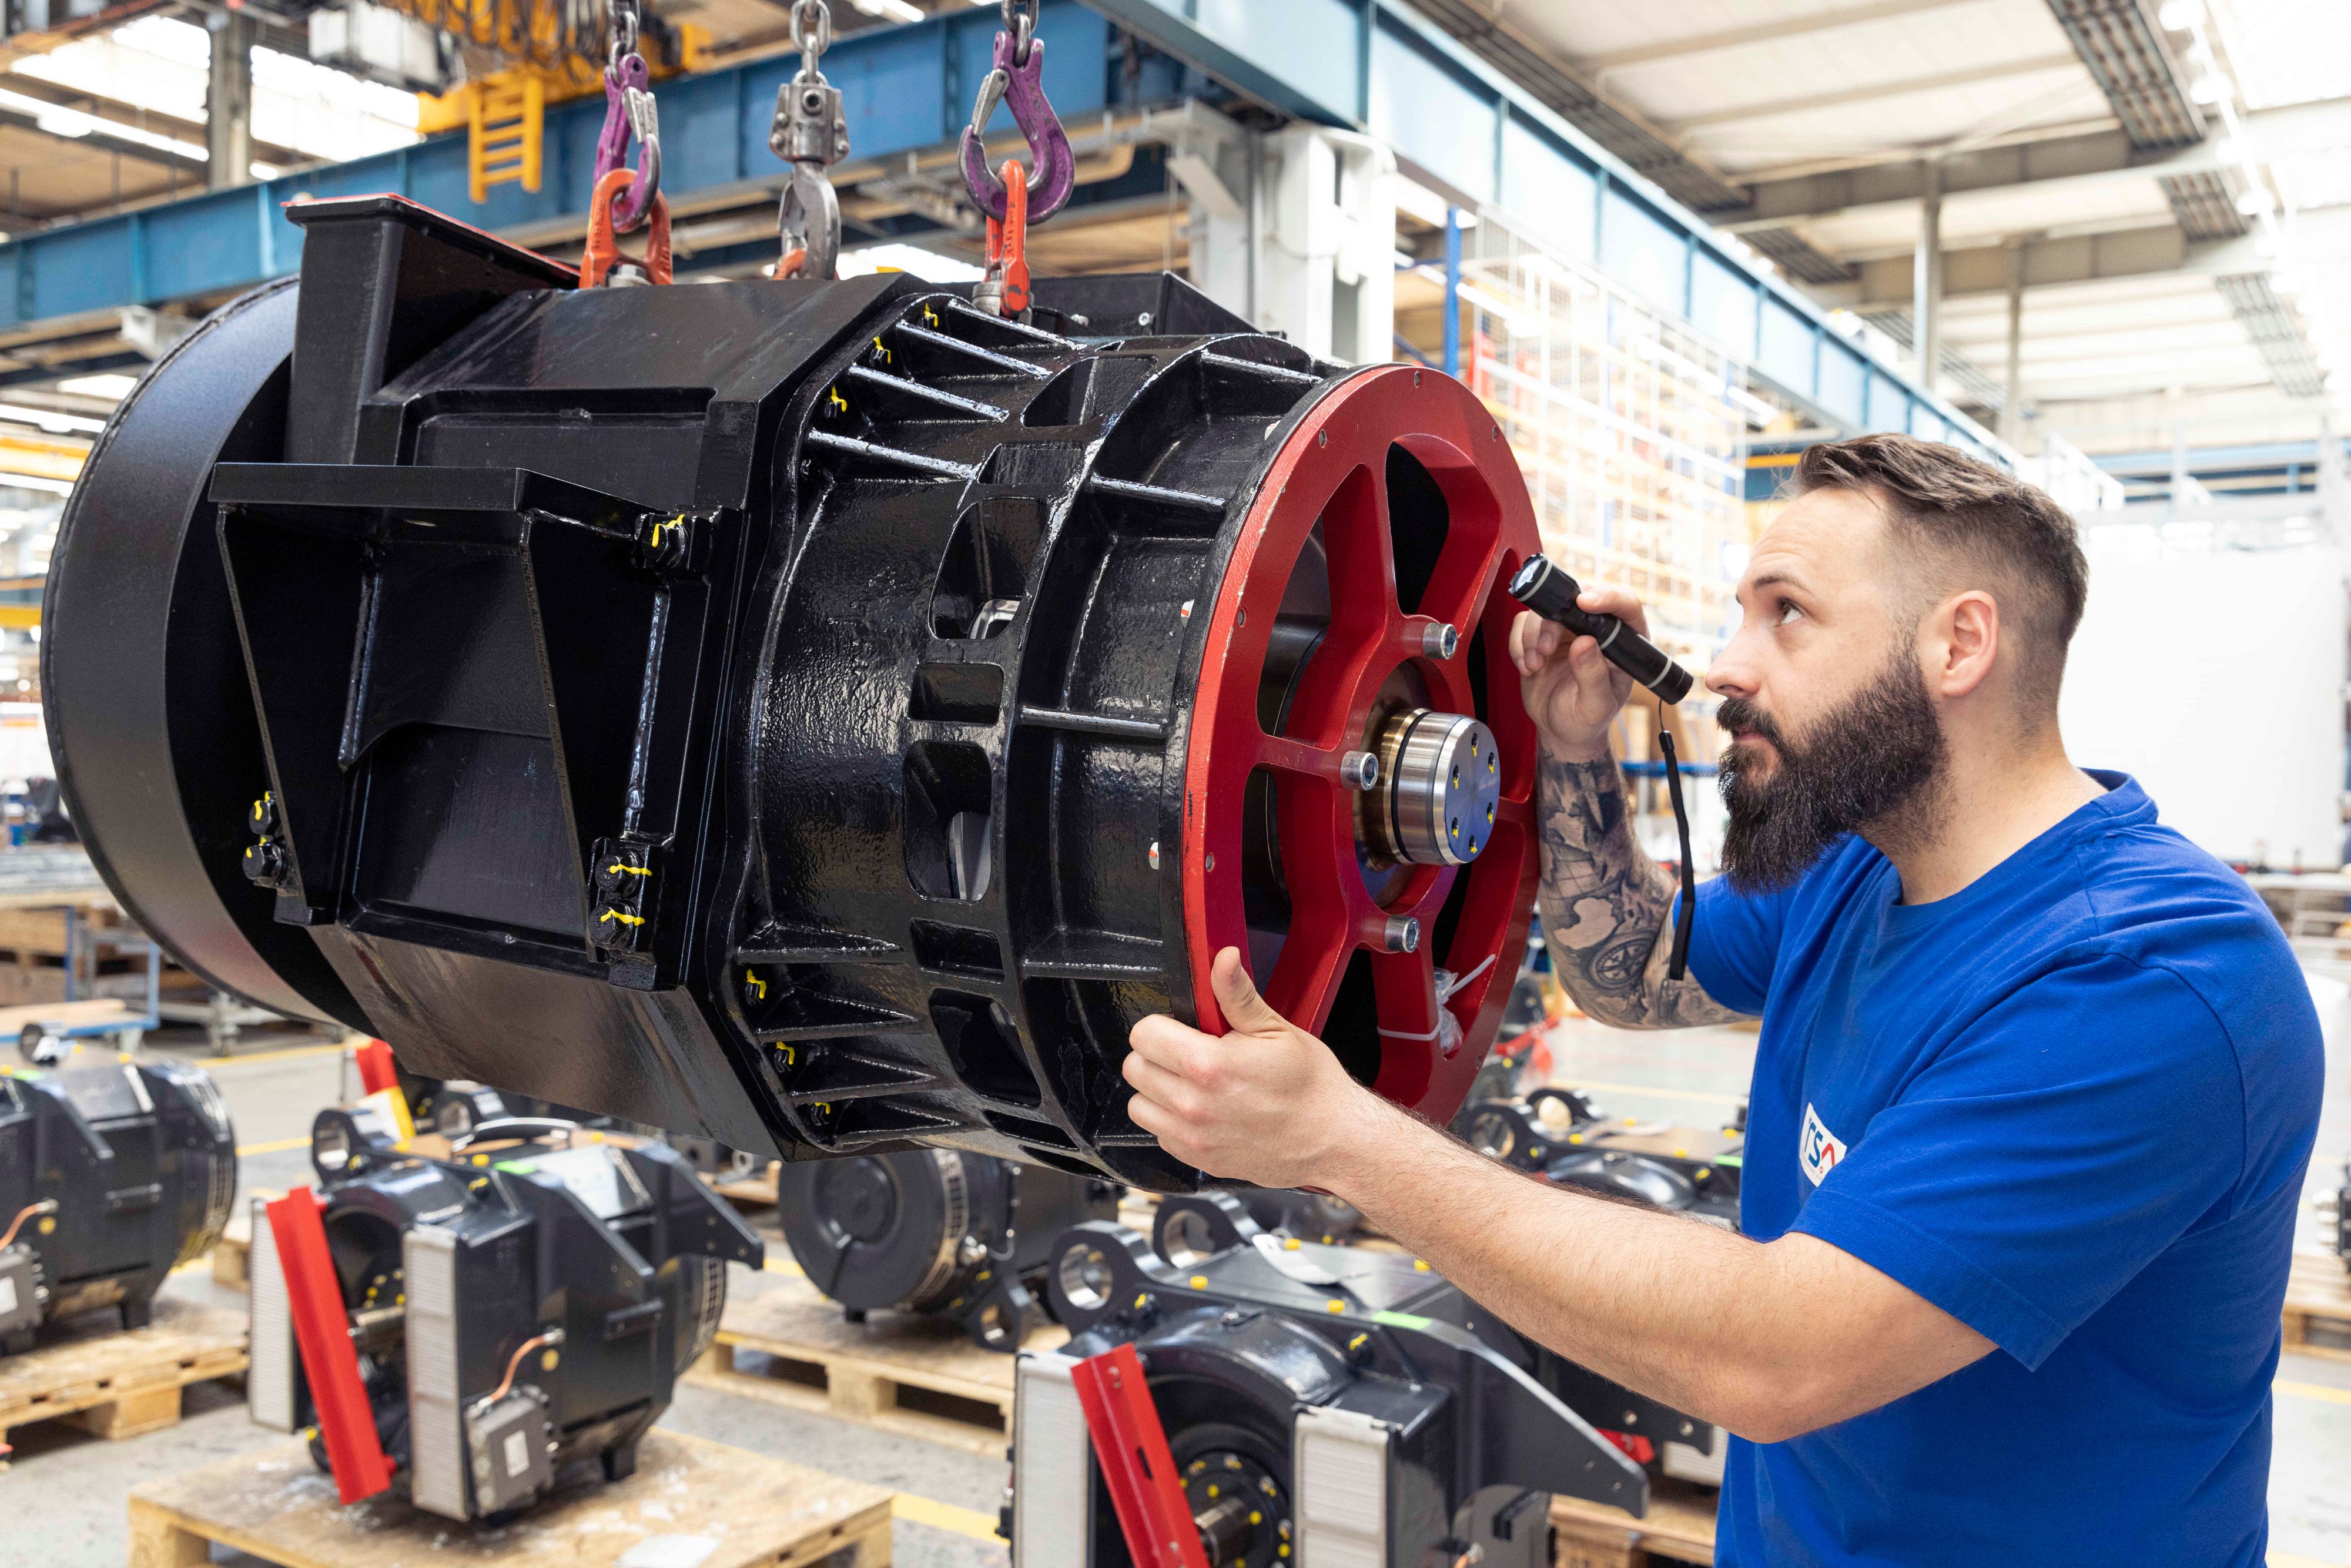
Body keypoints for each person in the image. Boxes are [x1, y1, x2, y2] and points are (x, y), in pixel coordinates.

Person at [1121, 433, 2325, 1567]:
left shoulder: (2148, 982)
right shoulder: (1861, 864)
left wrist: (1342, 1140)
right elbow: (1633, 969)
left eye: (1785, 612)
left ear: (1959, 645)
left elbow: (1775, 1357)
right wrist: (1573, 742)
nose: (1725, 667)